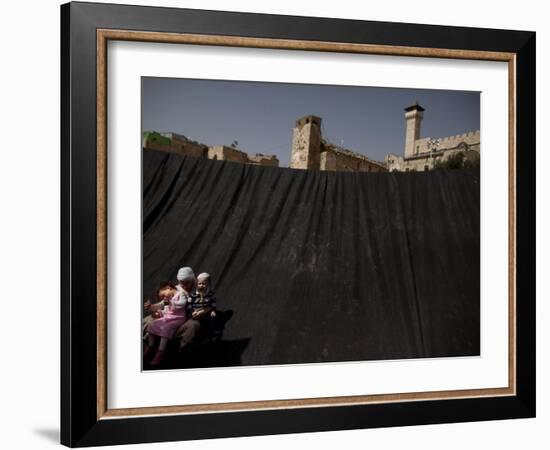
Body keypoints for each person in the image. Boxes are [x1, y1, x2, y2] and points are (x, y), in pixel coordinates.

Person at [144, 278, 190, 365]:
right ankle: (151, 346)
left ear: (168, 288)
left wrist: (171, 301)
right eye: (163, 297)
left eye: (165, 295)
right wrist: (150, 306)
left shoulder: (181, 294)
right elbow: (159, 305)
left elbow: (182, 304)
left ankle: (160, 352)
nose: (164, 298)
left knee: (166, 328)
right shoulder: (167, 298)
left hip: (178, 318)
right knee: (152, 325)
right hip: (168, 317)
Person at [177, 272, 217, 351]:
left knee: (212, 320)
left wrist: (213, 310)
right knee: (193, 323)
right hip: (195, 313)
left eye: (204, 284)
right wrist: (192, 312)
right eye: (199, 284)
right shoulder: (193, 295)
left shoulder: (210, 294)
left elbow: (213, 303)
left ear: (208, 284)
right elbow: (189, 305)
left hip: (206, 313)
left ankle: (210, 335)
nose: (201, 286)